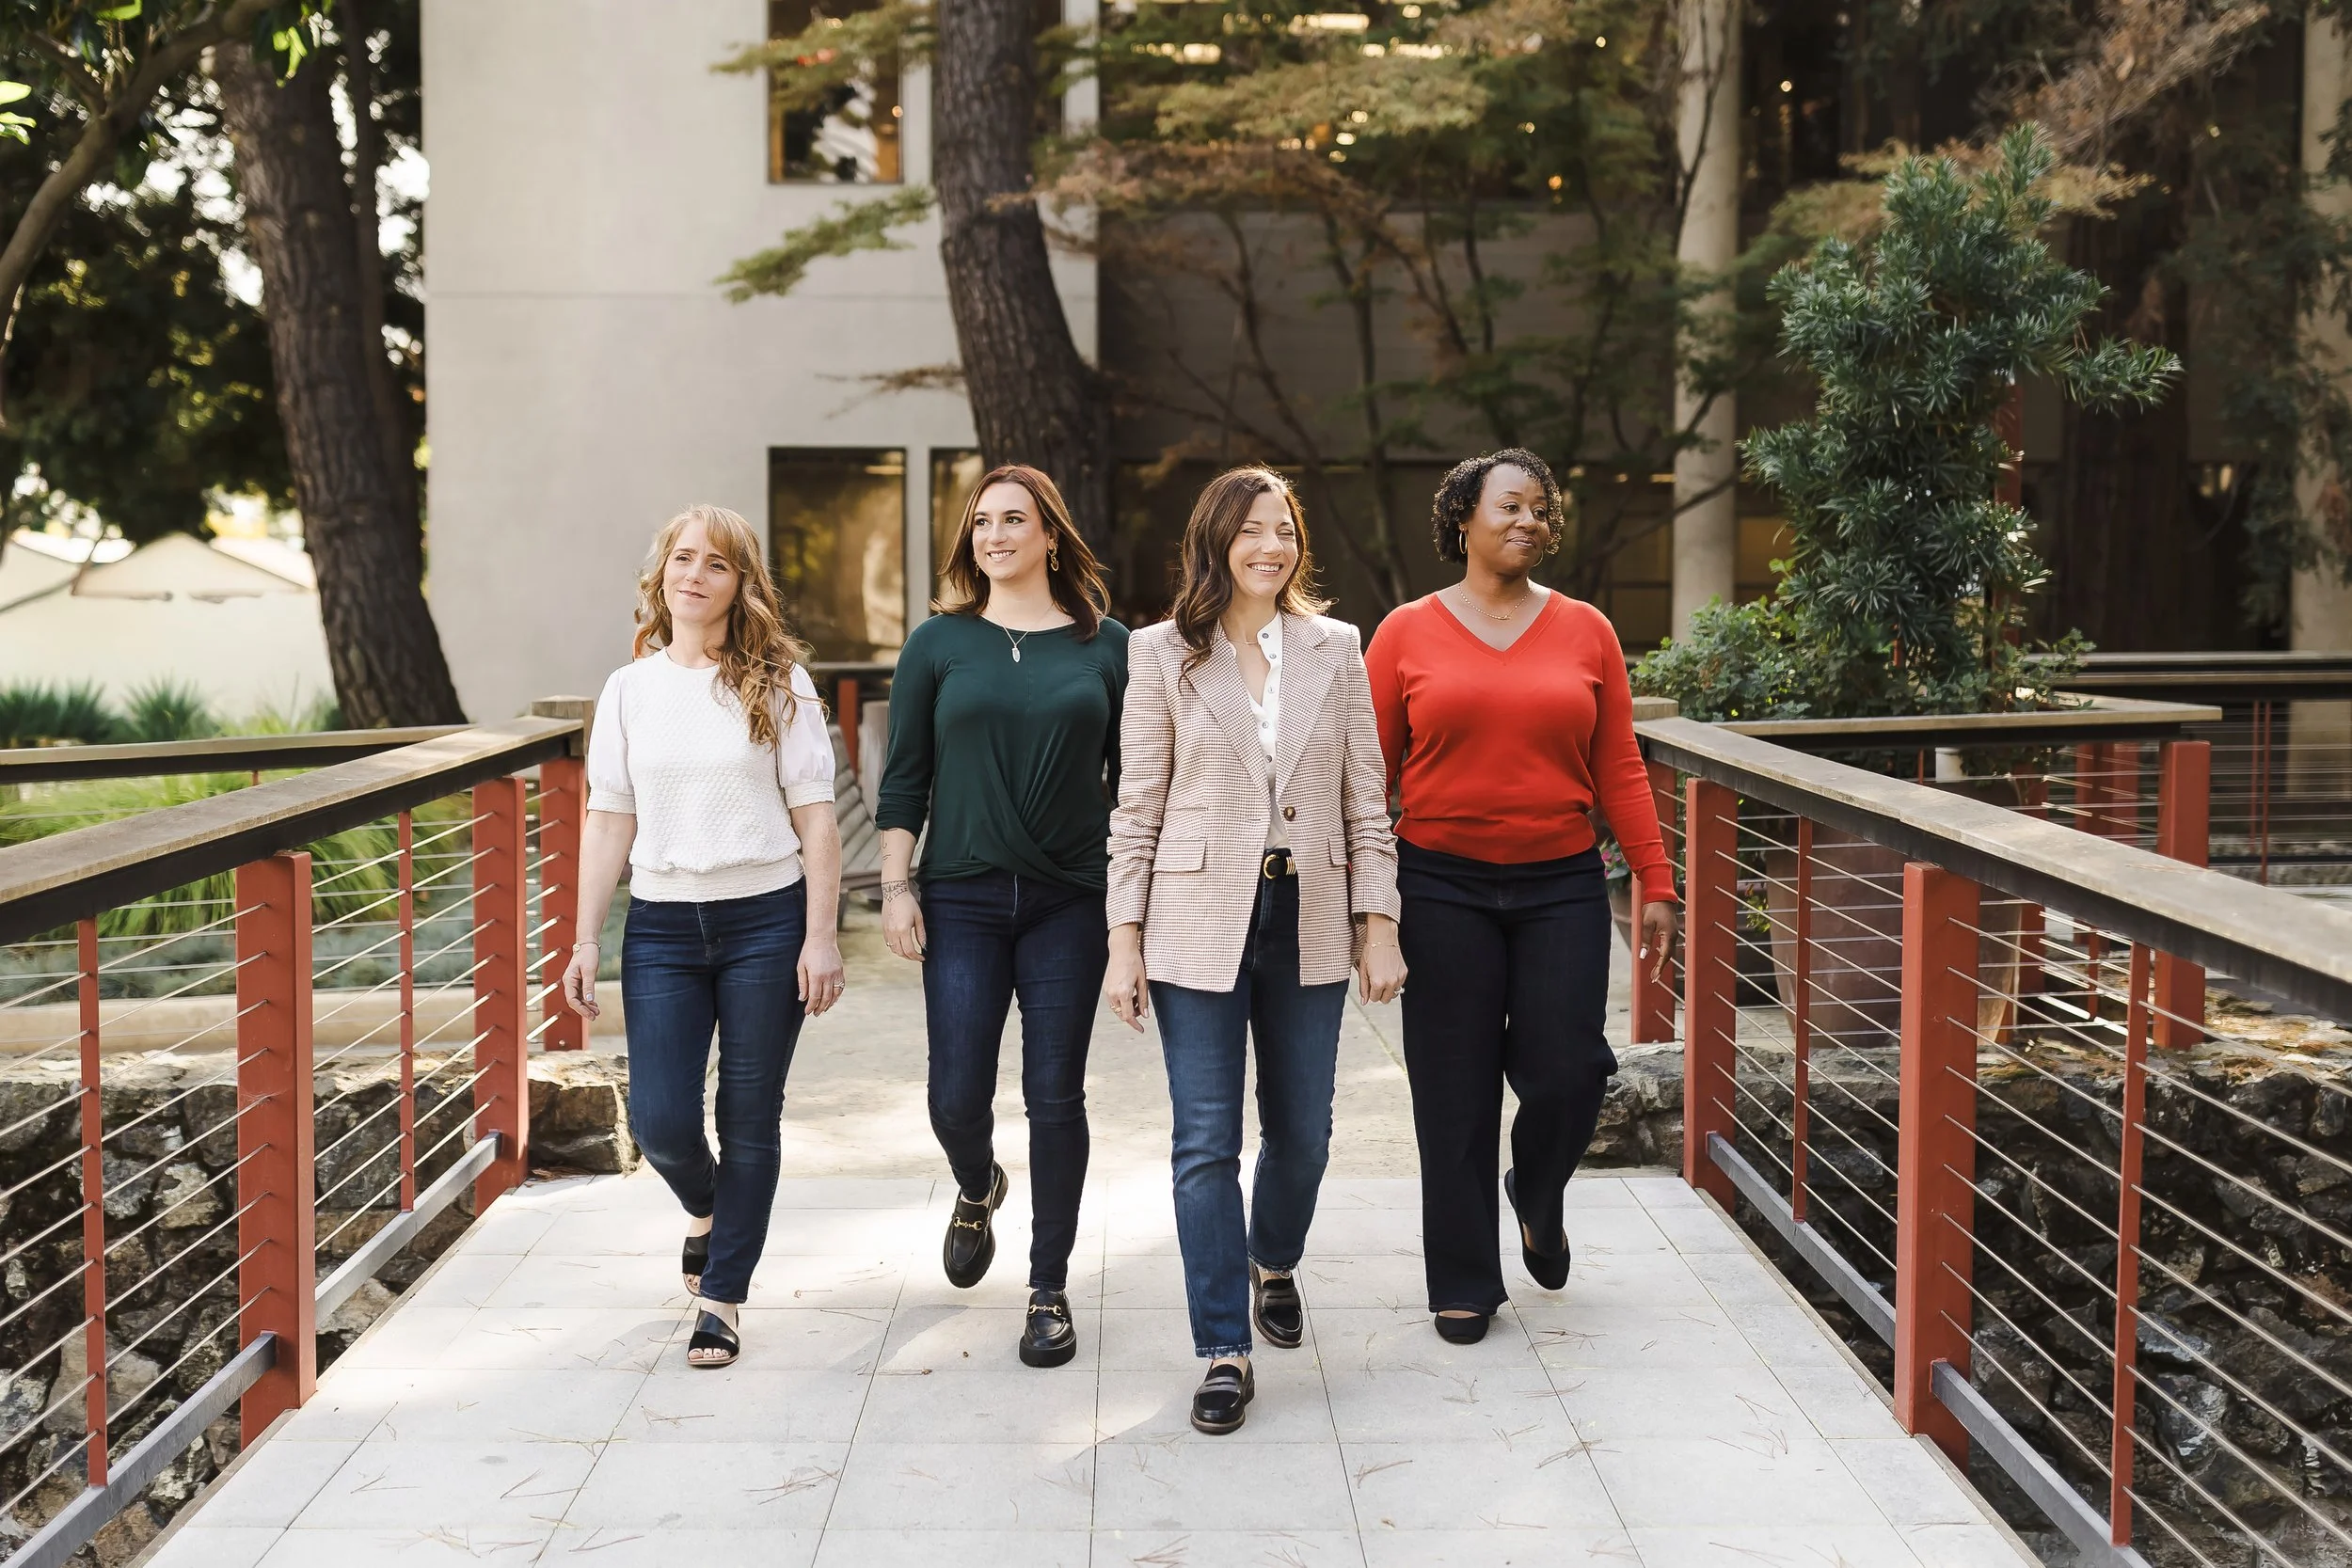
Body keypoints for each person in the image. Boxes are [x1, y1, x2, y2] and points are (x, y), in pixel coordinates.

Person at [1104, 467, 1405, 1433]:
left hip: (1308, 911)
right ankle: (1221, 1346)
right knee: (1205, 1141)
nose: (1271, 547)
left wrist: (1380, 921)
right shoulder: (1160, 651)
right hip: (1193, 916)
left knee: (1304, 1134)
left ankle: (1272, 1257)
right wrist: (1122, 939)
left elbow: (1366, 797)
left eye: (1284, 530)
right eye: (1251, 530)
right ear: (1215, 541)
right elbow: (1136, 806)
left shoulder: (1336, 647)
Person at [1365, 449, 1679, 1344]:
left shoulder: (1587, 630)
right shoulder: (1405, 633)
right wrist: (1369, 906)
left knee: (1570, 1071)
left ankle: (1537, 1190)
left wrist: (1657, 878)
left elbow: (1619, 765)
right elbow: (1369, 779)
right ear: (1462, 517)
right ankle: (1464, 1278)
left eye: (1541, 508)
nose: (1528, 521)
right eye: (1509, 506)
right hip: (1438, 883)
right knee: (1453, 1092)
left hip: (1559, 884)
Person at [563, 504, 846, 1370]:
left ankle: (721, 1298)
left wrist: (821, 935)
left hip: (766, 919)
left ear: (739, 585)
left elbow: (818, 818)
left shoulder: (779, 683)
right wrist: (584, 939)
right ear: (662, 575)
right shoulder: (628, 689)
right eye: (683, 558)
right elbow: (609, 817)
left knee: (750, 1116)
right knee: (660, 1123)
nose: (695, 575)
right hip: (661, 927)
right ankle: (707, 1206)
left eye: (716, 564)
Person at [874, 464, 1128, 1370]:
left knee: (1055, 1094)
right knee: (955, 1093)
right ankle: (978, 1183)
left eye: (1014, 519)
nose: (995, 535)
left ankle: (1047, 1288)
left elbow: (1134, 784)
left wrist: (1131, 916)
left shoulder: (1107, 646)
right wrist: (897, 886)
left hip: (1071, 899)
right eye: (981, 522)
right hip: (962, 896)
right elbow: (905, 774)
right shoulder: (938, 643)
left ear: (1051, 535)